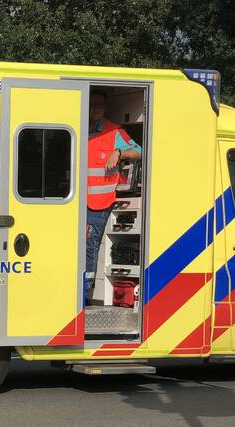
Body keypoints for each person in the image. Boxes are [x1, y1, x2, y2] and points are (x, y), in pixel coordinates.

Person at [85, 89, 142, 303]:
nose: (95, 109)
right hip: (74, 202)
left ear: (105, 107)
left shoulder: (113, 132)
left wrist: (119, 153)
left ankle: (84, 295)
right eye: (92, 104)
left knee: (88, 249)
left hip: (99, 204)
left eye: (99, 105)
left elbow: (139, 151)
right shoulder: (77, 127)